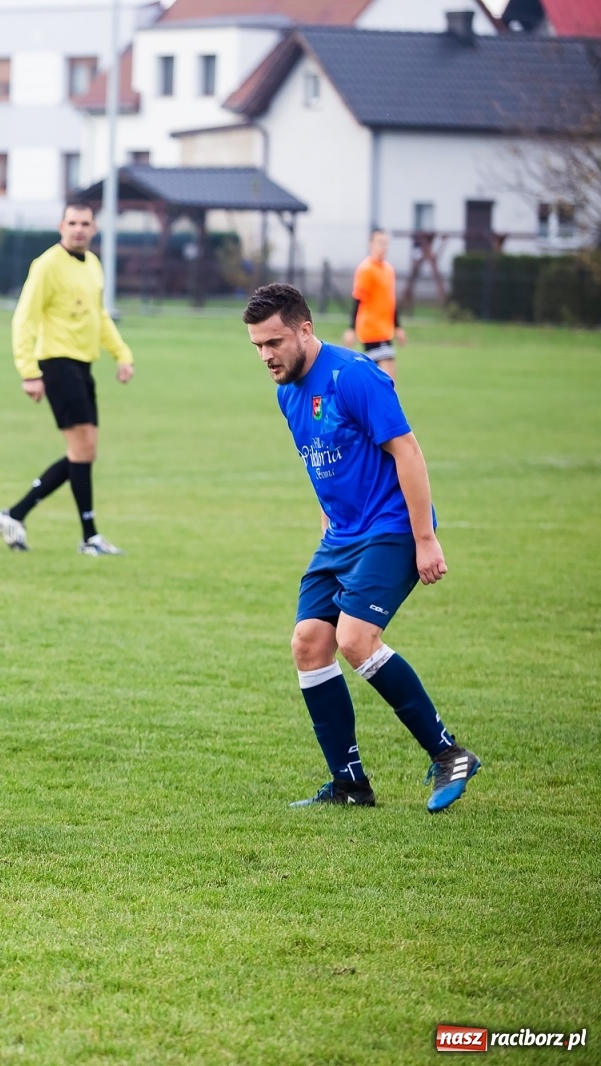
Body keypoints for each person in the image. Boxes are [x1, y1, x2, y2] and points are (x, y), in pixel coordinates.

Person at [243, 283, 478, 812]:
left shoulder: (356, 377)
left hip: (391, 529)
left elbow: (408, 453)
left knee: (354, 638)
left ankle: (449, 755)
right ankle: (350, 784)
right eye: (257, 346)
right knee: (308, 642)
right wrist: (329, 518)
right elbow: (320, 459)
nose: (266, 356)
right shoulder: (286, 392)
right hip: (341, 536)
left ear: (305, 329)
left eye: (274, 342)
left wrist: (425, 539)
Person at [0, 203, 134, 556]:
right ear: (61, 226)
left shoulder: (93, 265)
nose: (79, 229)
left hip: (83, 366)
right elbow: (24, 318)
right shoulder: (47, 265)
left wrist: (122, 353)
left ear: (94, 228)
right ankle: (89, 537)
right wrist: (29, 371)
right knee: (82, 450)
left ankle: (14, 515)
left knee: (84, 452)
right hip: (56, 363)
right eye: (72, 223)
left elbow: (99, 316)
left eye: (85, 223)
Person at [342, 228, 406, 380]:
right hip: (372, 330)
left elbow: (390, 301)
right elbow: (358, 299)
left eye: (385, 243)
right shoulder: (366, 269)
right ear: (370, 245)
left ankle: (374, 402)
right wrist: (352, 328)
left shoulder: (388, 269)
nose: (383, 247)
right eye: (379, 243)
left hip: (385, 330)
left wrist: (397, 327)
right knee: (388, 377)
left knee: (382, 379)